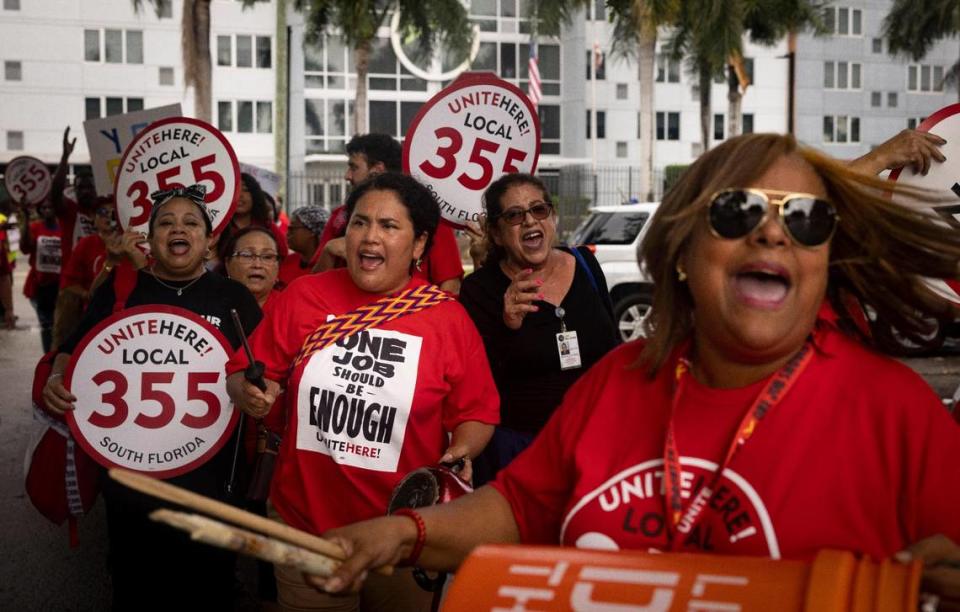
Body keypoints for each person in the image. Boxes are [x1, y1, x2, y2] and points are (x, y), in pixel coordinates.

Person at [311, 134, 960, 607]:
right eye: (738, 213)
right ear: (682, 250)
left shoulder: (895, 411)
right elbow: (518, 507)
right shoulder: (620, 380)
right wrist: (403, 533)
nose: (772, 235)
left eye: (806, 218)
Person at [227, 172, 499, 611]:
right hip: (306, 527)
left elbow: (477, 411)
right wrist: (249, 392)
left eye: (389, 226)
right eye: (359, 222)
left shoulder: (448, 318)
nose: (370, 237)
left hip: (404, 536)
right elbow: (243, 375)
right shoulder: (303, 296)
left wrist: (461, 452)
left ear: (419, 246)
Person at [41, 184, 262, 611]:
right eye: (166, 222)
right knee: (136, 584)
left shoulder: (232, 297)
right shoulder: (120, 289)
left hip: (212, 479)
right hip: (131, 480)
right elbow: (73, 347)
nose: (178, 229)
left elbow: (263, 363)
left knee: (209, 585)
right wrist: (57, 375)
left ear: (209, 238)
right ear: (151, 236)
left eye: (190, 222)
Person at [459, 173, 618, 485]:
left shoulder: (585, 263)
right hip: (520, 454)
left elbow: (610, 345)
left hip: (595, 443)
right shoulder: (480, 290)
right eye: (515, 215)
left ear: (552, 217)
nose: (530, 221)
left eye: (539, 210)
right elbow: (477, 388)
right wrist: (508, 326)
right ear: (497, 234)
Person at [314, 134, 465, 294]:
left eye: (388, 226)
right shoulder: (340, 217)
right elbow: (313, 289)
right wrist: (329, 251)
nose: (347, 176)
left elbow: (450, 285)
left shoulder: (427, 216)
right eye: (359, 223)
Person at [53, 199, 147, 349]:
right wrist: (110, 263)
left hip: (134, 321)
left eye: (113, 213)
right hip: (96, 320)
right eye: (102, 212)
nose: (108, 217)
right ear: (93, 218)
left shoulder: (140, 245)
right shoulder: (86, 244)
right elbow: (88, 291)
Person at [50, 127, 100, 269]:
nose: (85, 192)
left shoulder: (105, 210)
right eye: (81, 188)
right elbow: (55, 192)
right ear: (75, 190)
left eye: (89, 187)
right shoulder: (69, 211)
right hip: (73, 282)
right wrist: (65, 157)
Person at [17, 197, 62, 351]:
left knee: (60, 325)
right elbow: (25, 247)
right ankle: (48, 360)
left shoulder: (64, 228)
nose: (47, 210)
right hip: (39, 287)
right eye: (43, 207)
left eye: (50, 206)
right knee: (47, 325)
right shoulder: (35, 228)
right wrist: (26, 219)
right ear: (39, 210)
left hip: (61, 286)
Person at [217, 172, 288, 265]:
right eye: (235, 190)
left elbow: (283, 254)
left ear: (255, 195)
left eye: (245, 190)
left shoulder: (267, 225)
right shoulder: (218, 227)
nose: (240, 195)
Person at [223, 225, 282, 308]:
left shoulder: (291, 307)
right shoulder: (209, 305)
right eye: (247, 255)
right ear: (227, 264)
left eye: (267, 257)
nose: (257, 265)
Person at [279, 206, 328, 288]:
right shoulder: (288, 262)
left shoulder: (327, 266)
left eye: (292, 228)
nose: (287, 233)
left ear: (312, 231)